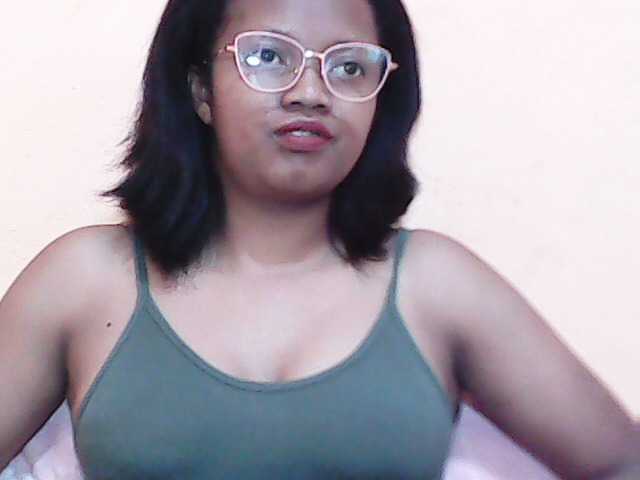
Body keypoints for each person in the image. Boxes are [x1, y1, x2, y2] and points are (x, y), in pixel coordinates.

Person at [0, 0, 637, 478]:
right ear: (199, 90)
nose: (311, 92)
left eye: (349, 66)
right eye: (268, 56)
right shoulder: (84, 278)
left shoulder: (437, 283)